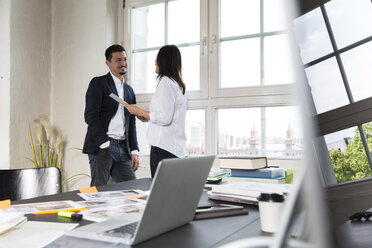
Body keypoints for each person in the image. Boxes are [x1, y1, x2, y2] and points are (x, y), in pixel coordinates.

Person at [124, 45, 187, 177]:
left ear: (164, 60)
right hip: (175, 149)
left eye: (157, 57)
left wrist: (139, 111)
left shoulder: (165, 82)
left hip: (164, 149)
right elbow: (169, 114)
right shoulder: (178, 85)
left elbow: (165, 118)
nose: (155, 61)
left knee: (161, 192)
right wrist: (148, 117)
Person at [83, 44, 139, 186]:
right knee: (98, 192)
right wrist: (104, 142)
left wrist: (134, 150)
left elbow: (131, 122)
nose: (123, 63)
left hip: (123, 149)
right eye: (118, 60)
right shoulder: (99, 83)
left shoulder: (129, 91)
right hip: (104, 147)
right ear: (108, 63)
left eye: (125, 59)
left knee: (132, 189)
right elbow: (90, 115)